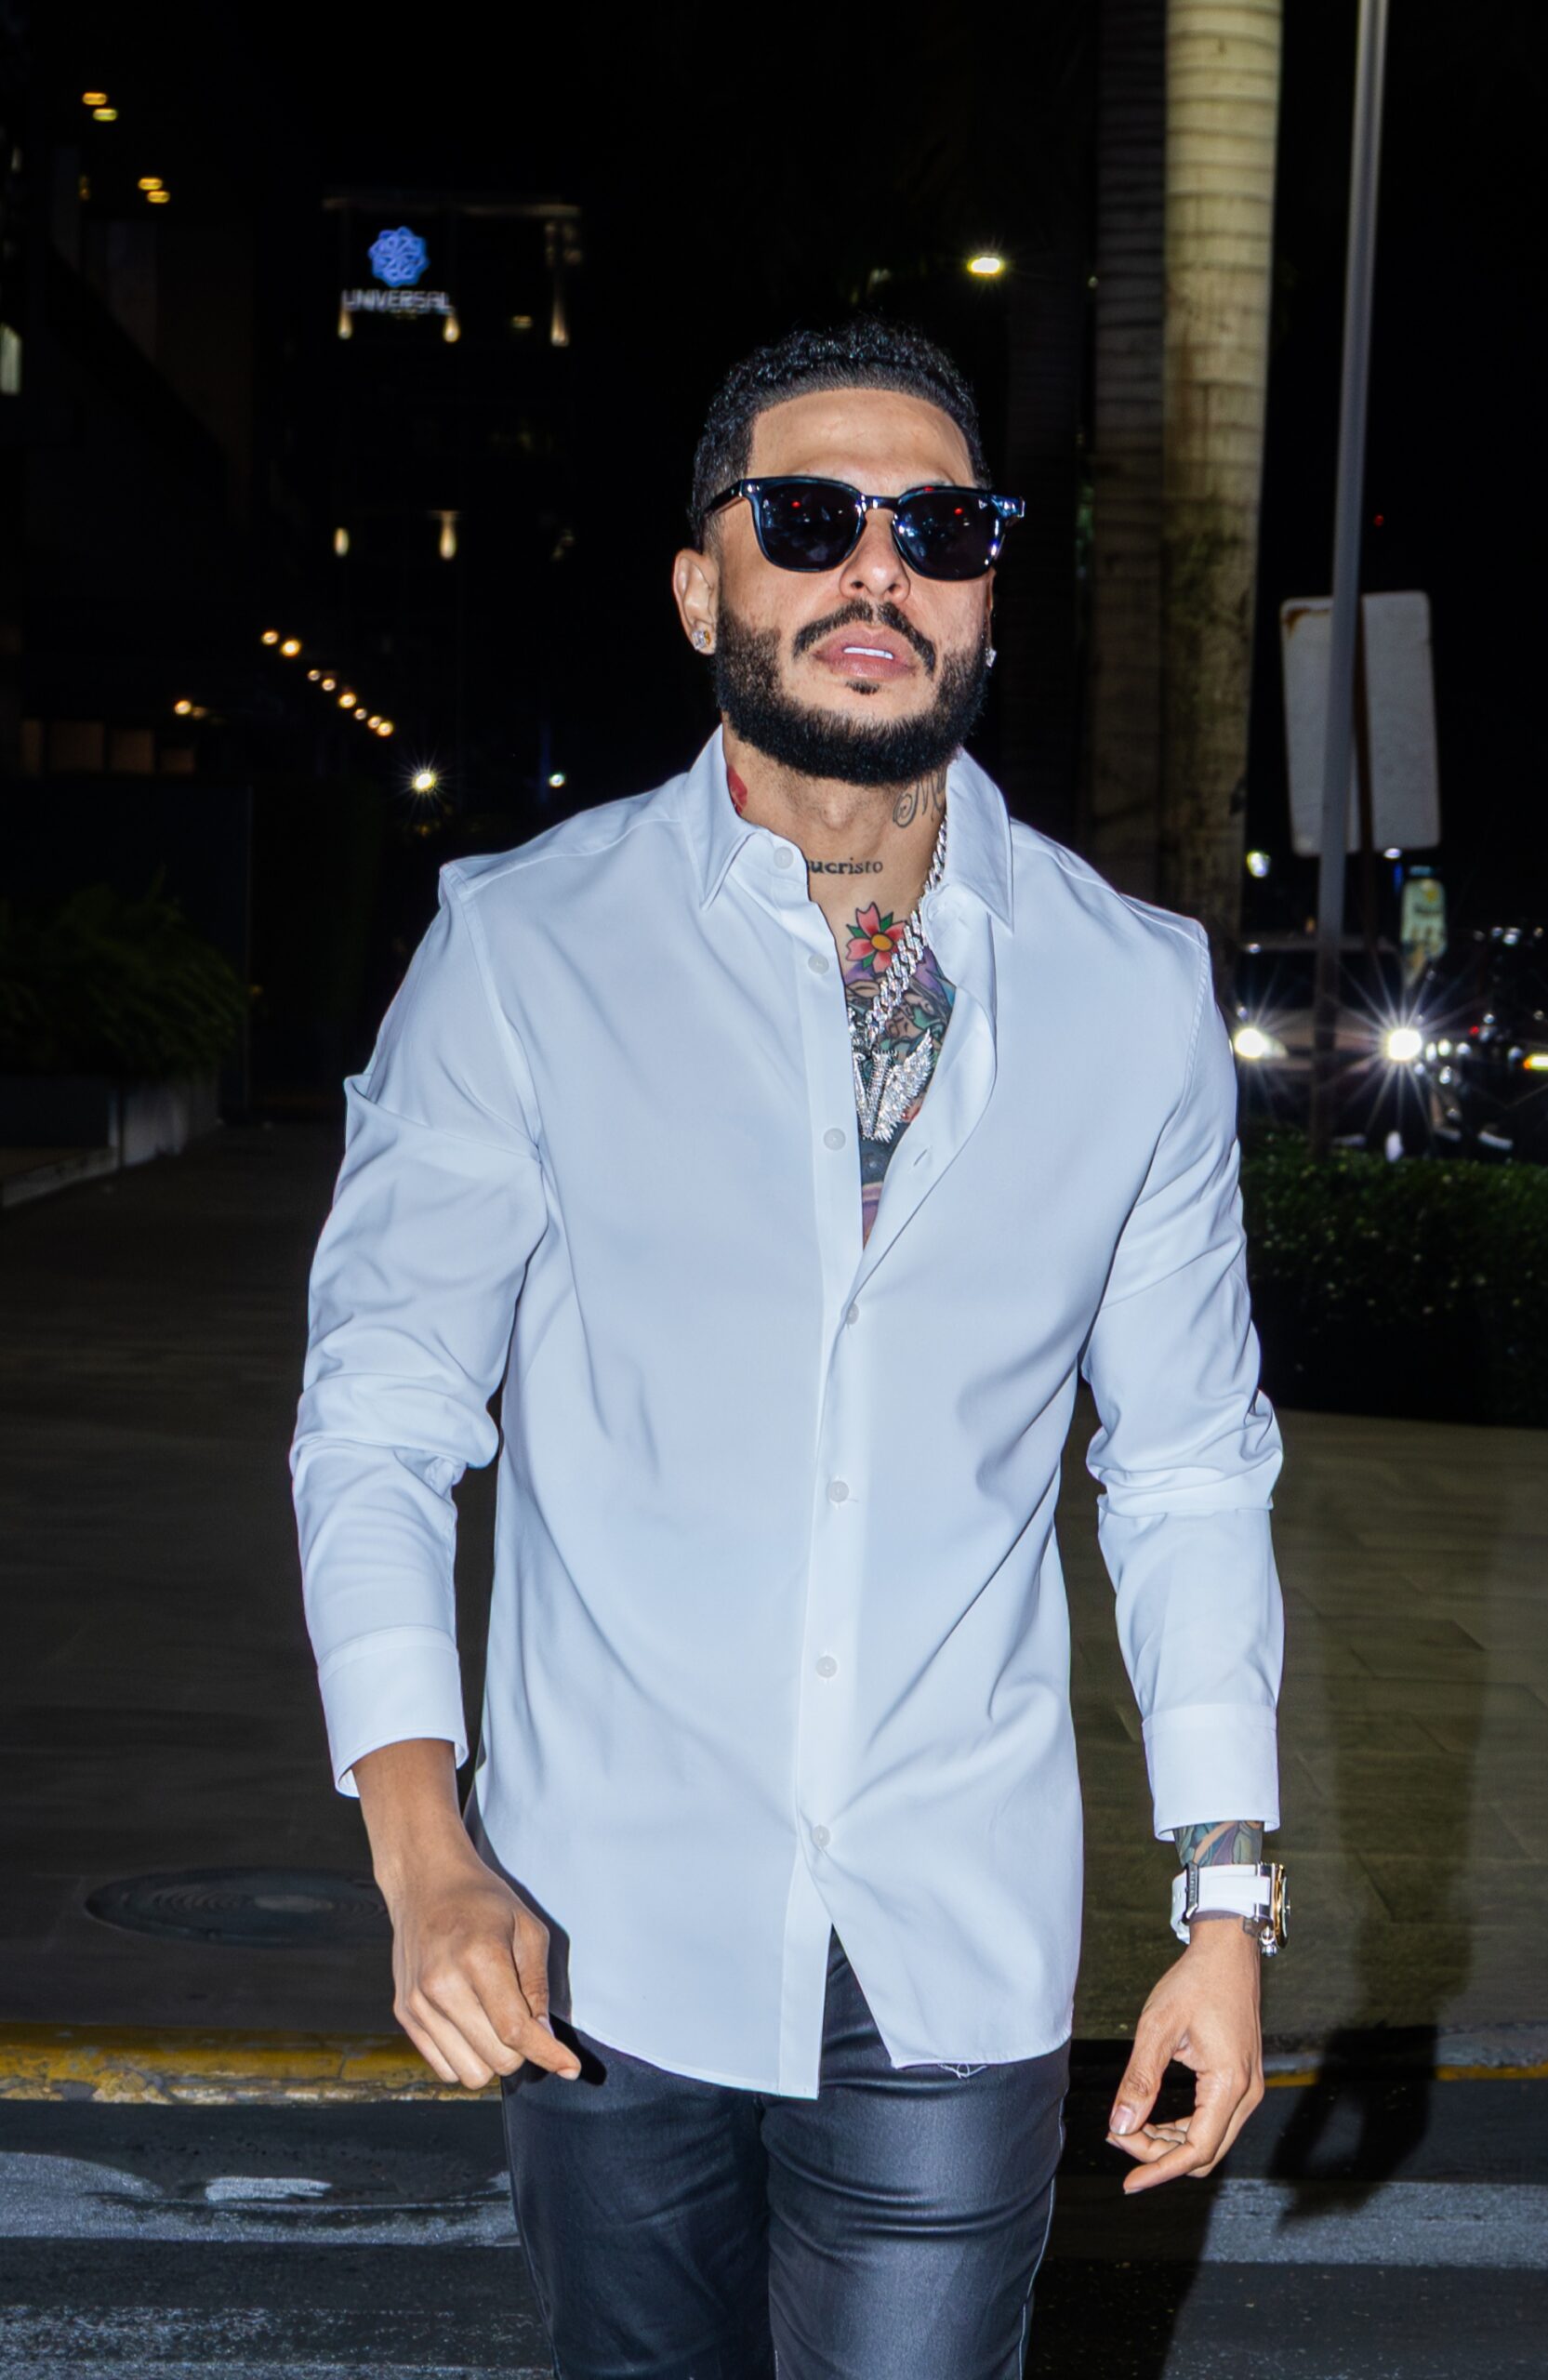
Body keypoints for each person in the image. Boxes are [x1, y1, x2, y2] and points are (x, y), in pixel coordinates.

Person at [291, 317, 1289, 2380]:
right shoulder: (526, 946)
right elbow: (382, 1414)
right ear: (700, 586)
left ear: (986, 590)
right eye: (810, 519)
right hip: (599, 1923)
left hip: (952, 1926)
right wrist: (423, 1851)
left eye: (939, 528)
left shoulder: (1129, 991)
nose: (877, 571)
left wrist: (1222, 1903)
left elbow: (1187, 1463)